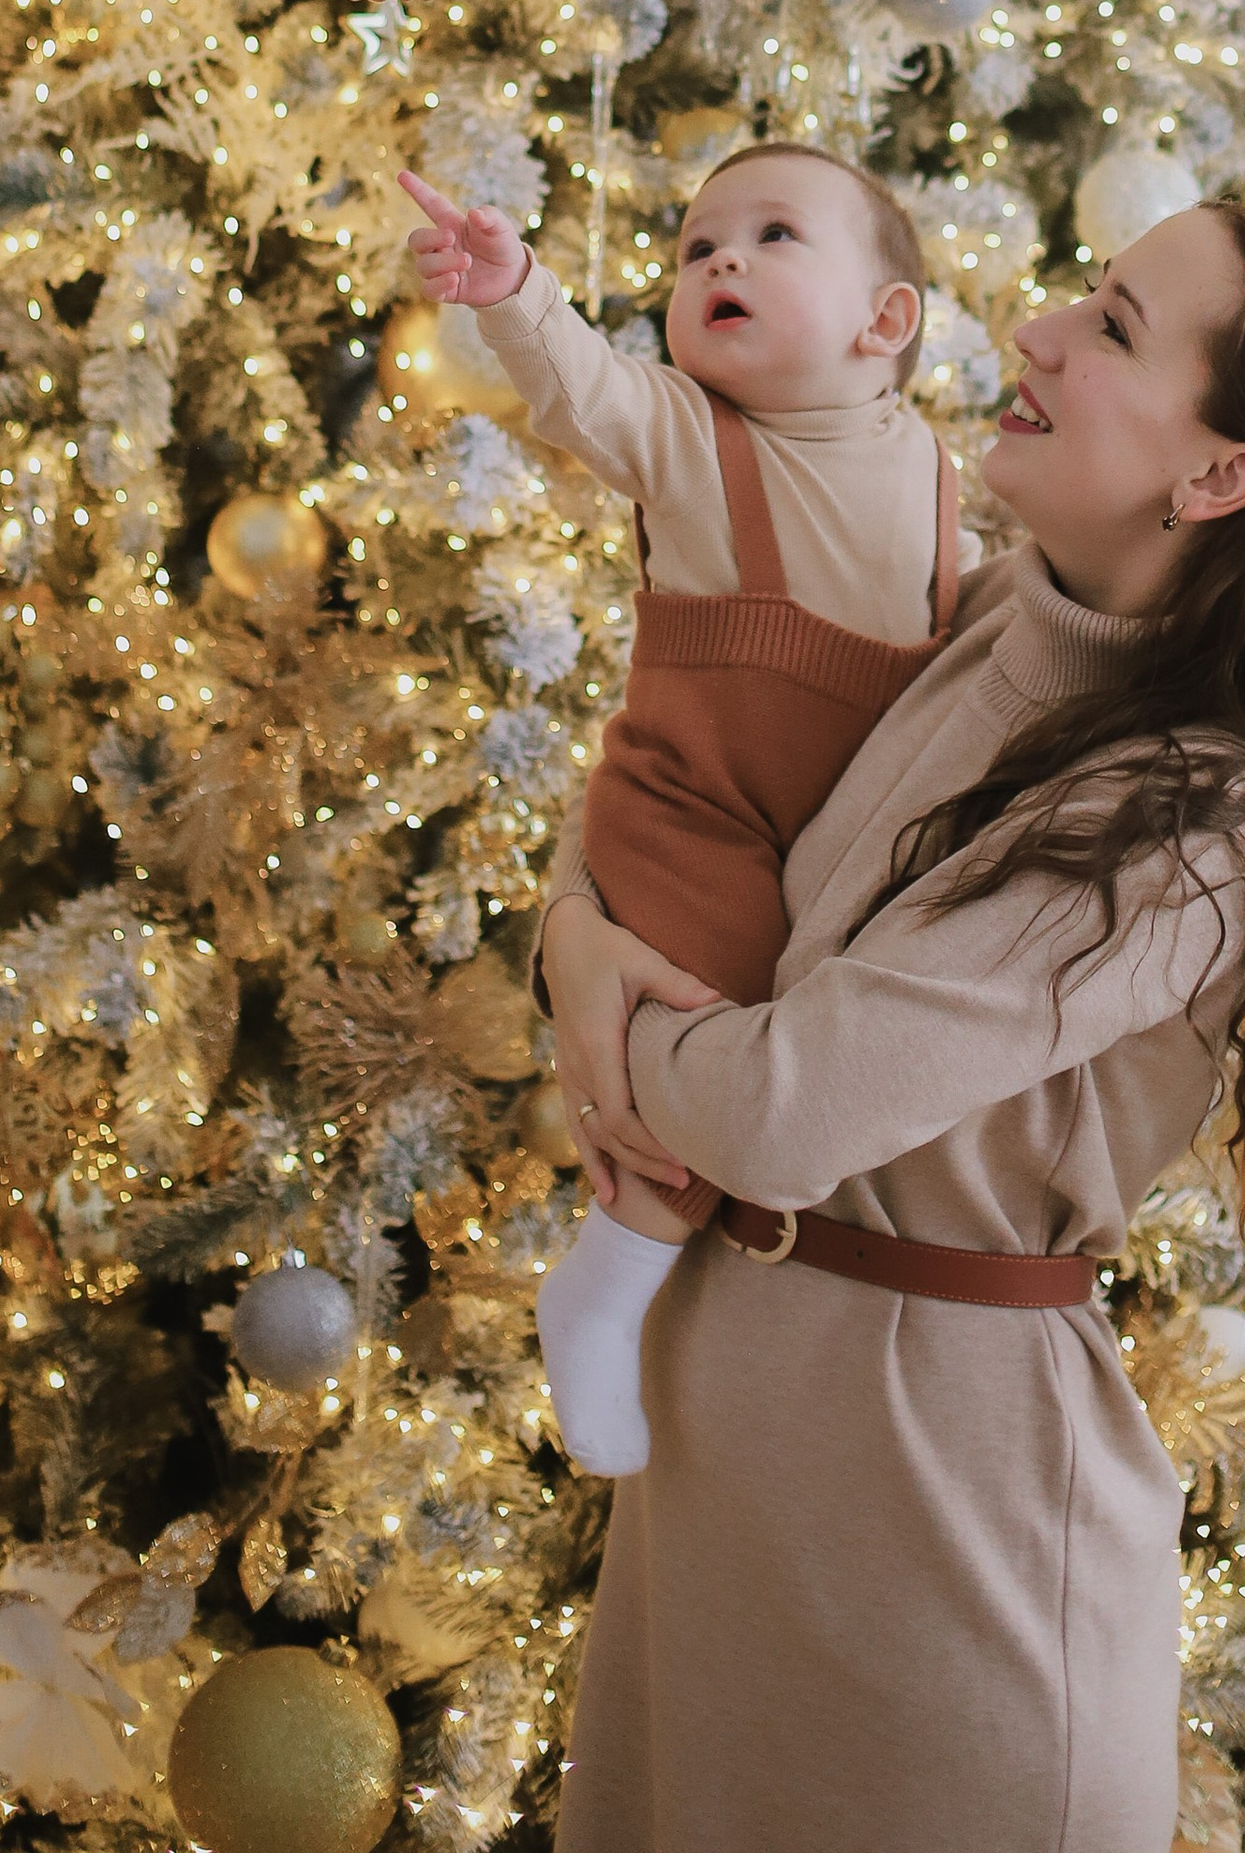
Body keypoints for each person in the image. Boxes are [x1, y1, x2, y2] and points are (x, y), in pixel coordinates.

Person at [540, 200, 1245, 1853]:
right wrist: (576, 941)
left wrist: (599, 1006)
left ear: (1220, 473)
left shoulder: (1194, 813)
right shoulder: (963, 624)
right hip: (736, 1472)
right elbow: (665, 781)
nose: (1033, 332)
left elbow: (776, 1113)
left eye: (1110, 328)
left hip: (938, 1520)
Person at [398, 141, 968, 1472]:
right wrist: (515, 290)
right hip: (691, 810)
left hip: (836, 830)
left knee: (830, 1021)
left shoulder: (938, 476)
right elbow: (582, 390)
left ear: (886, 324)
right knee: (702, 1006)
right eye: (698, 246)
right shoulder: (686, 436)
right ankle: (610, 1281)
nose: (719, 259)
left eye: (773, 237)